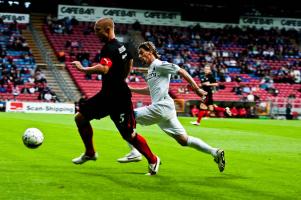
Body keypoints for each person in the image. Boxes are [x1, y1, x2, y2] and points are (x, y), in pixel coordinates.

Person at [117, 41, 225, 172]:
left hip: (161, 107)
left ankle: (135, 152)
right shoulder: (152, 68)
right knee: (184, 140)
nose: (140, 56)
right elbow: (150, 89)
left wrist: (196, 89)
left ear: (150, 51)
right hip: (166, 109)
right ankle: (215, 152)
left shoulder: (159, 64)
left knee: (125, 117)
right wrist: (131, 89)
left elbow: (181, 71)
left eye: (141, 52)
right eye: (139, 53)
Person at [71, 18, 160, 176]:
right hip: (107, 95)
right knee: (80, 118)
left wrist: (83, 69)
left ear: (107, 29)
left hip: (119, 99)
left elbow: (104, 68)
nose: (95, 33)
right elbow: (130, 61)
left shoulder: (108, 48)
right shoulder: (125, 46)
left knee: (129, 134)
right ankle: (90, 153)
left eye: (97, 30)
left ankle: (153, 159)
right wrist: (122, 78)